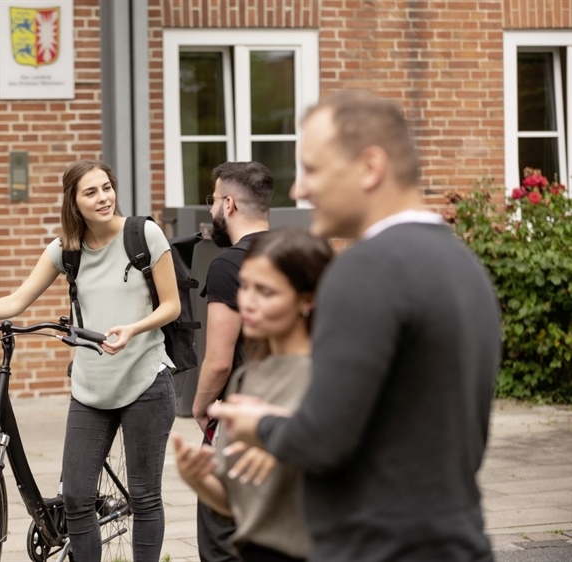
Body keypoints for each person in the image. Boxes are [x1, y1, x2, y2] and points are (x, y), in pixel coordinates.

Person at [209, 90, 501, 562]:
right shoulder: (462, 264)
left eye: (314, 169)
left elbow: (322, 442)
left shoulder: (364, 268)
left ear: (370, 167)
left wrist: (258, 423)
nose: (300, 189)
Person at [0, 160, 179, 562]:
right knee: (78, 497)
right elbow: (16, 300)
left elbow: (171, 305)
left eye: (106, 188)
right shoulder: (66, 250)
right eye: (90, 192)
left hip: (145, 381)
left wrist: (134, 329)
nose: (103, 198)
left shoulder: (143, 235)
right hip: (90, 387)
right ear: (74, 201)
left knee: (144, 495)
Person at [176, 228, 333, 562]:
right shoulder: (248, 377)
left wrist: (282, 446)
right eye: (245, 286)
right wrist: (201, 481)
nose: (247, 301)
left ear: (307, 299)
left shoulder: (332, 377)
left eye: (265, 291)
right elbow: (242, 505)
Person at [192, 161, 274, 562]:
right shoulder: (299, 255)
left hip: (242, 424)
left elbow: (219, 362)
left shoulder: (227, 266)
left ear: (229, 204)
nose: (210, 211)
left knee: (222, 540)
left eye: (213, 201)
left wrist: (201, 406)